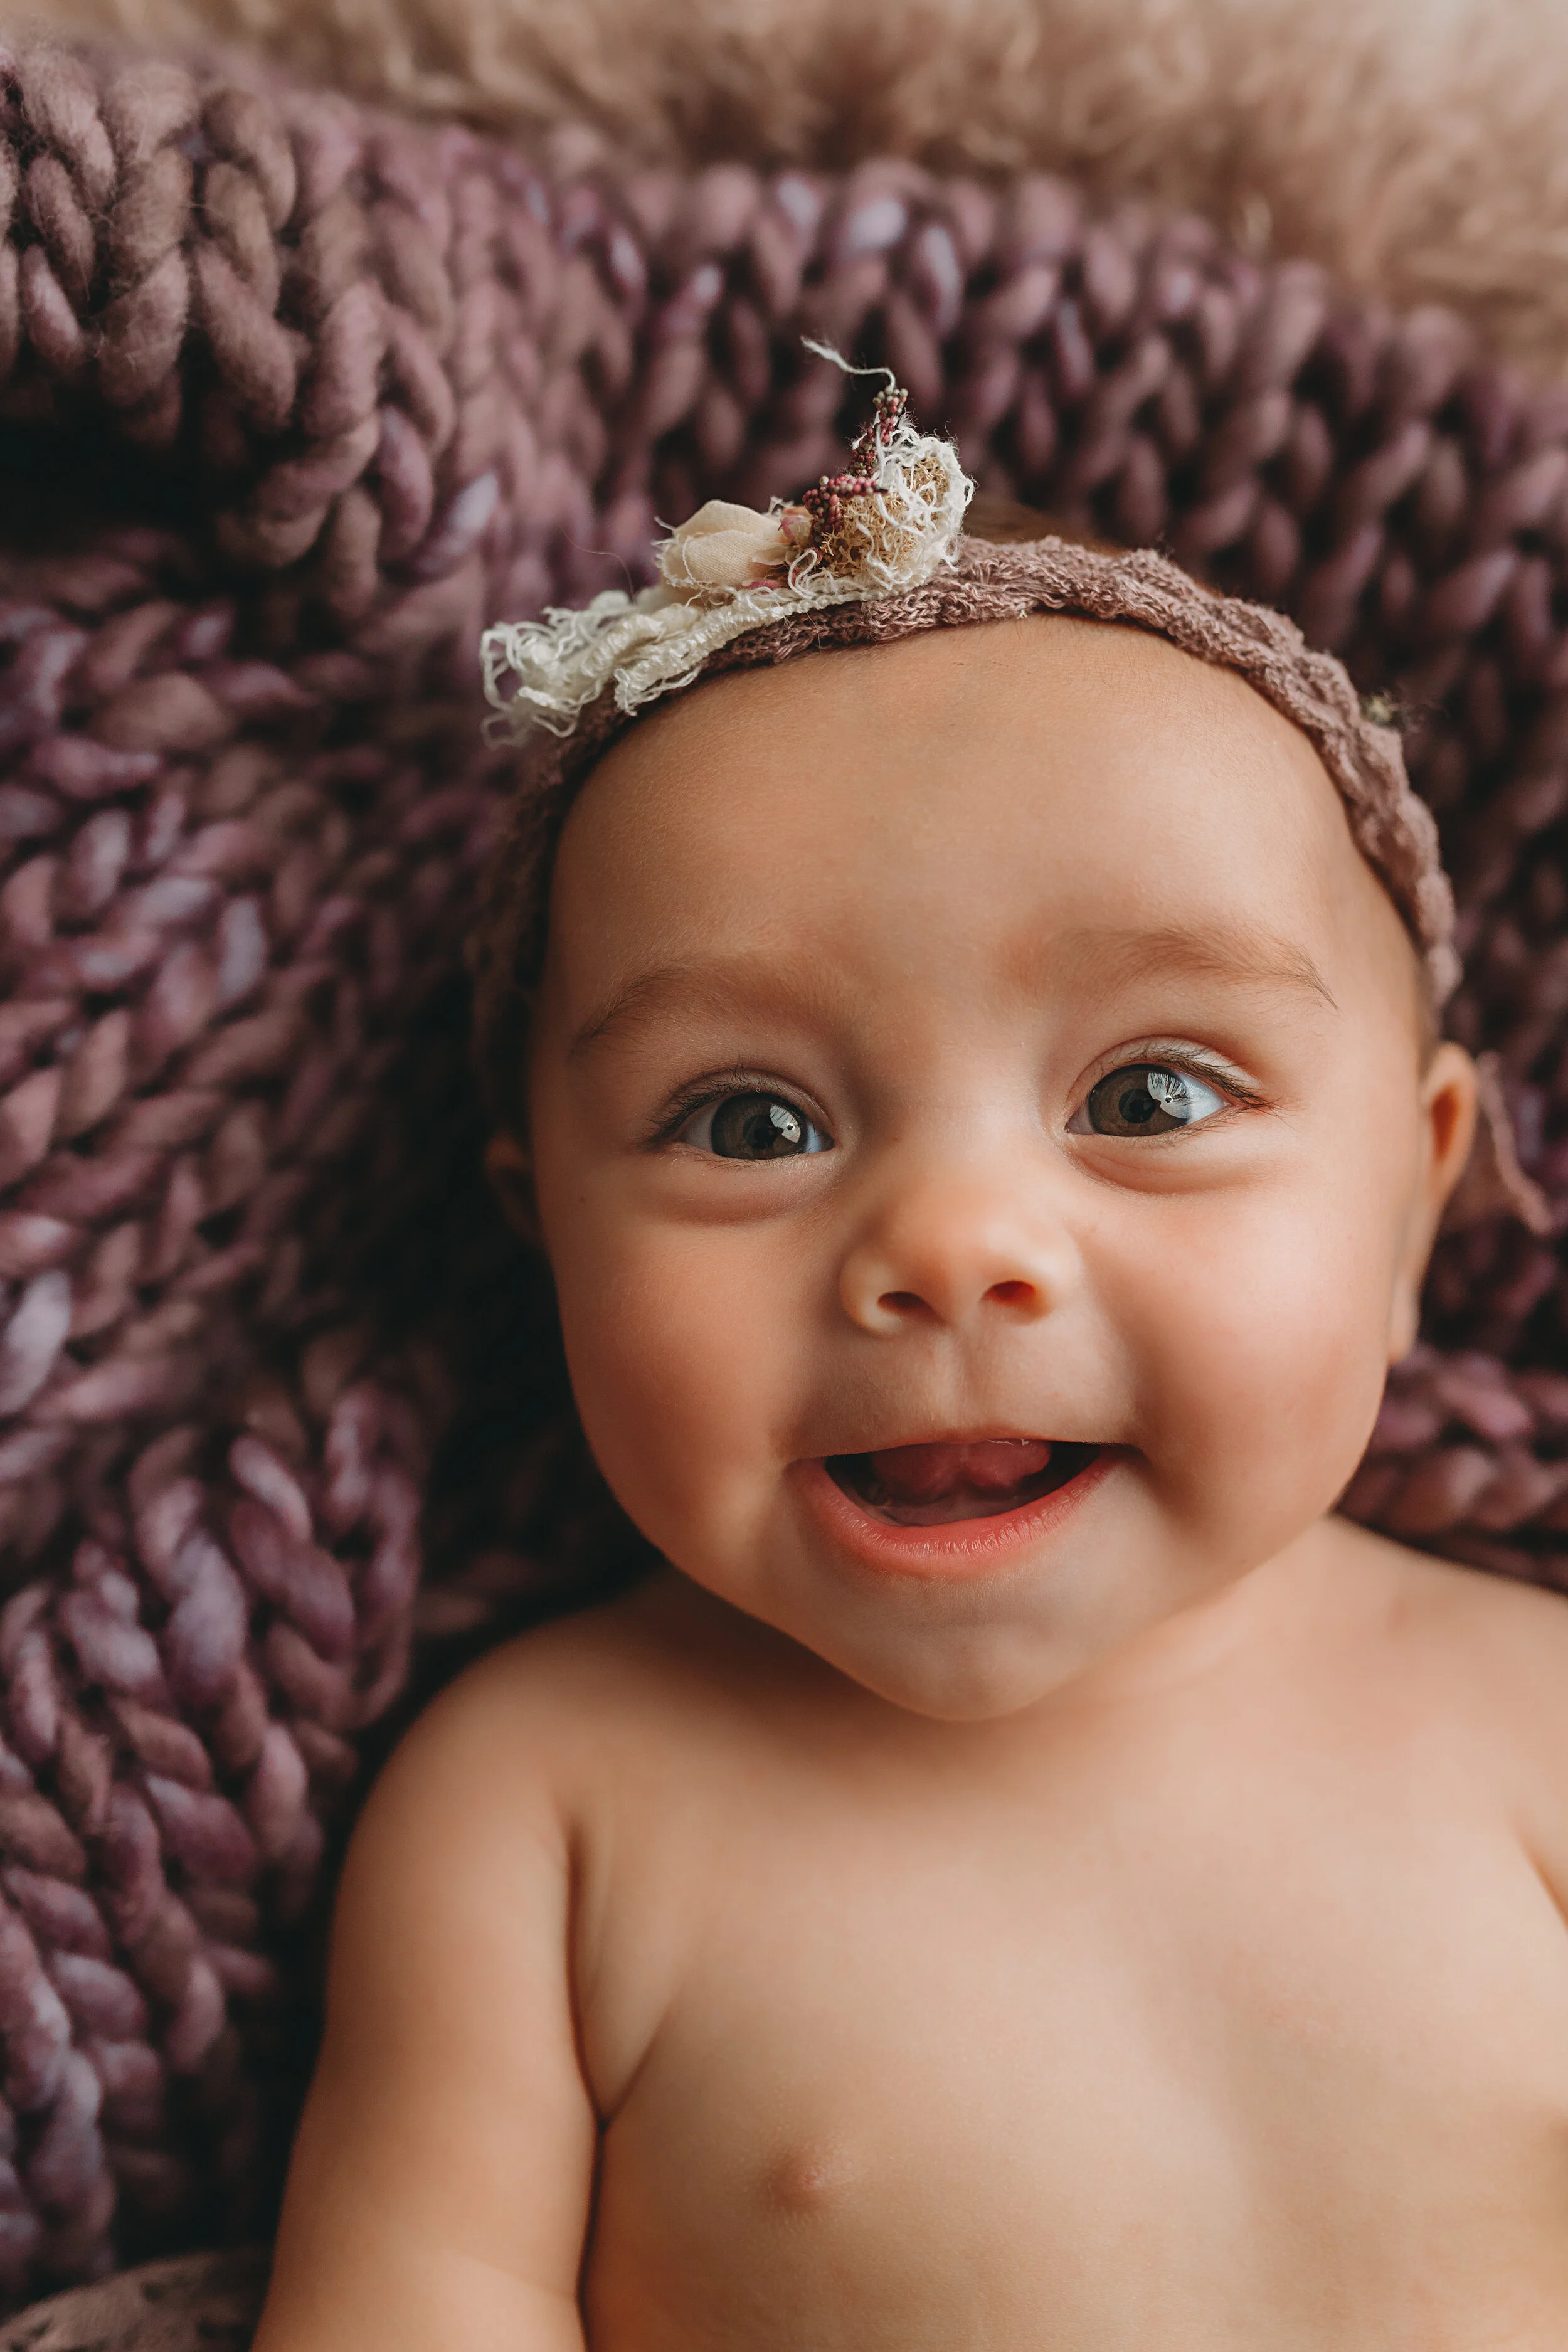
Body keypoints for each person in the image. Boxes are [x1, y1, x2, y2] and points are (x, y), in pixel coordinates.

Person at [251, 368, 1568, 2351]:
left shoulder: (1529, 1728)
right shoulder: (549, 1811)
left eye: (1147, 1089)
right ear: (545, 1232)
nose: (948, 1250)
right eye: (749, 1124)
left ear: (1411, 1207)